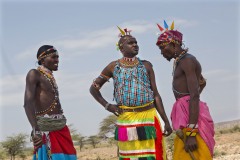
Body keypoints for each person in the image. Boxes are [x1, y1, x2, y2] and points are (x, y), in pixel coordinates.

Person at [90, 27, 172, 160]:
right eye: (130, 43)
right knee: (129, 156)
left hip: (149, 116)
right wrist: (108, 106)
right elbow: (93, 89)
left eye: (136, 42)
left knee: (153, 155)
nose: (135, 45)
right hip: (126, 118)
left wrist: (166, 121)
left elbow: (156, 95)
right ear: (121, 48)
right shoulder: (113, 67)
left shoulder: (146, 66)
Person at [156, 21, 215, 160]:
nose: (161, 52)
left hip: (191, 117)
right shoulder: (181, 61)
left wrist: (191, 133)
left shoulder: (187, 61)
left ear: (174, 45)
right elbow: (202, 82)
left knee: (196, 154)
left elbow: (194, 95)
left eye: (163, 48)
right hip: (188, 112)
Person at [23, 45, 77, 160]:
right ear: (42, 60)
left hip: (61, 127)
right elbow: (28, 103)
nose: (57, 60)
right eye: (53, 57)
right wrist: (35, 129)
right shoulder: (34, 74)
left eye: (57, 57)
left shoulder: (50, 77)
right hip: (46, 130)